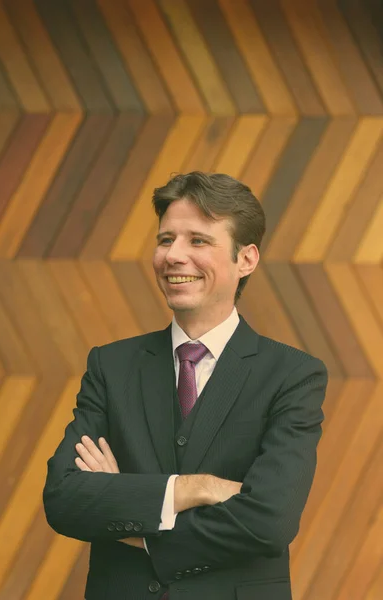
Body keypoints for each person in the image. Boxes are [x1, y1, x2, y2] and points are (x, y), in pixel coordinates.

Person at [43, 172, 328, 600]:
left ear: (246, 259)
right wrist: (198, 488)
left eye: (197, 240)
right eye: (165, 240)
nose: (173, 255)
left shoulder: (293, 374)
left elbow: (269, 520)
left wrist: (131, 513)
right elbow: (65, 499)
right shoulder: (111, 365)